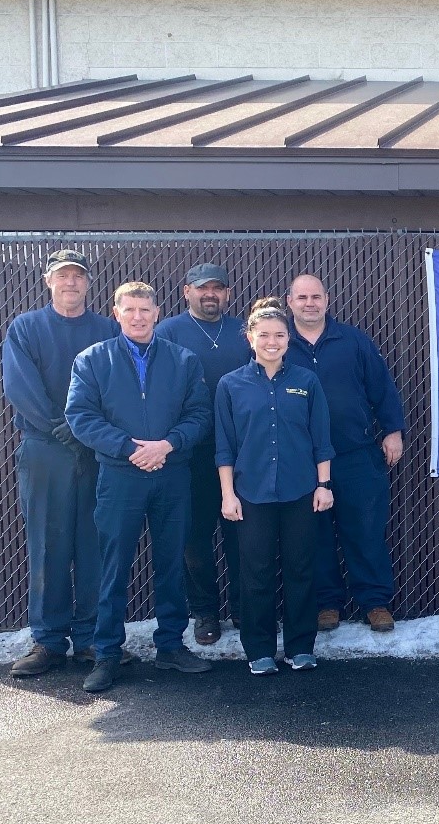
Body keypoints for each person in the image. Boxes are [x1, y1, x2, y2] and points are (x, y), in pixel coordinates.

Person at [66, 281, 214, 693]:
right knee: (112, 567)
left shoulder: (183, 360)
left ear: (157, 312)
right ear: (116, 313)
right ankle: (107, 653)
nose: (137, 317)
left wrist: (169, 444)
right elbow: (81, 416)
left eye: (145, 309)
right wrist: (129, 448)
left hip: (171, 474)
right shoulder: (92, 360)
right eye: (129, 309)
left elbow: (200, 415)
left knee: (172, 563)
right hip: (120, 476)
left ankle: (170, 647)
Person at [1, 250, 120, 677]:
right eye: (62, 276)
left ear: (89, 284)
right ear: (49, 281)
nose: (71, 282)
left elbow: (118, 385)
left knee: (94, 544)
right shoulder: (26, 327)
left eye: (78, 276)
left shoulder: (107, 329)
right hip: (45, 447)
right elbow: (20, 386)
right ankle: (48, 641)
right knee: (48, 546)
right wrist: (58, 426)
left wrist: (87, 430)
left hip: (95, 448)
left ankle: (90, 639)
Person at [216, 298, 335, 675]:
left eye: (279, 335)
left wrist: (323, 484)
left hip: (301, 490)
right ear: (250, 338)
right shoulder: (230, 385)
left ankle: (301, 647)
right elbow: (224, 445)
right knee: (256, 572)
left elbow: (321, 438)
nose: (272, 341)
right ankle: (260, 650)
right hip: (250, 495)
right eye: (264, 334)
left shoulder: (306, 381)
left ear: (289, 339)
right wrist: (228, 494)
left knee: (302, 569)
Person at [284, 274, 406, 633]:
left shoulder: (352, 340)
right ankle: (327, 604)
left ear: (327, 299)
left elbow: (381, 387)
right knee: (314, 533)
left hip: (355, 452)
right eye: (302, 297)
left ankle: (375, 602)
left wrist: (393, 431)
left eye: (316, 296)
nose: (310, 303)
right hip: (301, 457)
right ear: (289, 301)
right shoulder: (278, 343)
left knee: (365, 529)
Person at [155, 263, 251, 645]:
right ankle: (205, 612)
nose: (210, 294)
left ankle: (245, 609)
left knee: (242, 534)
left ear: (227, 293)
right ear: (186, 291)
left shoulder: (244, 331)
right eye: (202, 288)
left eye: (217, 288)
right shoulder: (167, 333)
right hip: (189, 452)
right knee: (195, 537)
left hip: (242, 450)